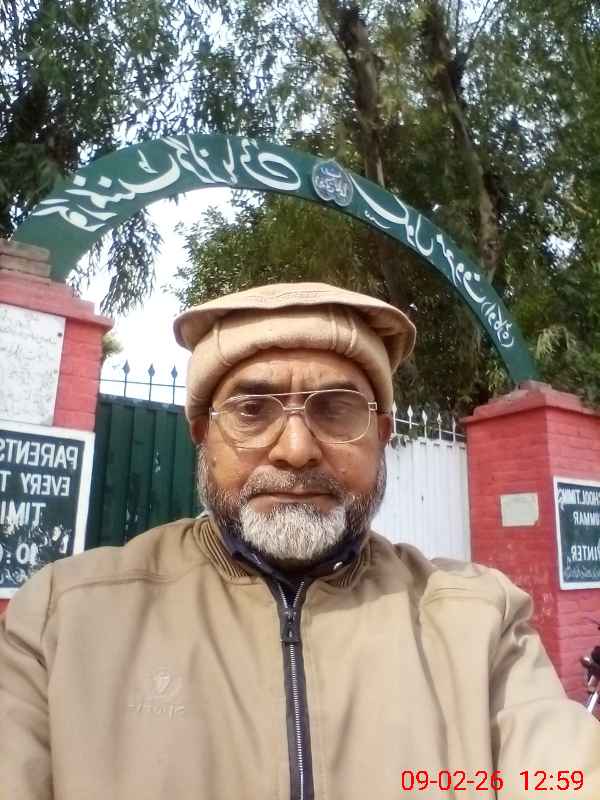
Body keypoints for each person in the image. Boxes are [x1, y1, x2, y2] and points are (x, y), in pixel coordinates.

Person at [1, 282, 599, 800]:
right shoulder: (63, 620)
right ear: (203, 433)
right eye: (252, 410)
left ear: (383, 434)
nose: (295, 449)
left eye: (336, 410)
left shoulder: (479, 623)